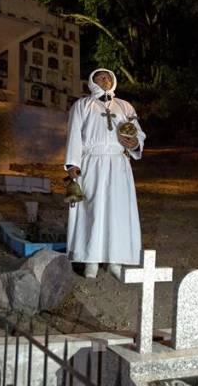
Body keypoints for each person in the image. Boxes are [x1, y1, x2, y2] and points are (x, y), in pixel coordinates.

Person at [64, 68, 146, 279]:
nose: (106, 80)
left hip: (119, 164)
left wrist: (136, 142)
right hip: (92, 163)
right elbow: (74, 133)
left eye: (109, 77)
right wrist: (72, 163)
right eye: (101, 77)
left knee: (117, 212)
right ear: (92, 82)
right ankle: (91, 260)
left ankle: (115, 260)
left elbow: (137, 131)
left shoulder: (125, 106)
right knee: (92, 208)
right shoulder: (82, 105)